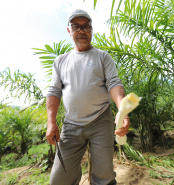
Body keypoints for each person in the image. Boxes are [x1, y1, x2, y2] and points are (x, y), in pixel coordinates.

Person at [46, 9, 130, 185]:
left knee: (104, 177)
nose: (82, 31)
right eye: (76, 27)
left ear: (92, 30)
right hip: (71, 124)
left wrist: (123, 110)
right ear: (69, 30)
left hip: (101, 121)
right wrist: (51, 122)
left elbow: (114, 83)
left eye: (86, 26)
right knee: (59, 179)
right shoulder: (61, 61)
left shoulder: (102, 57)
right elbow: (54, 91)